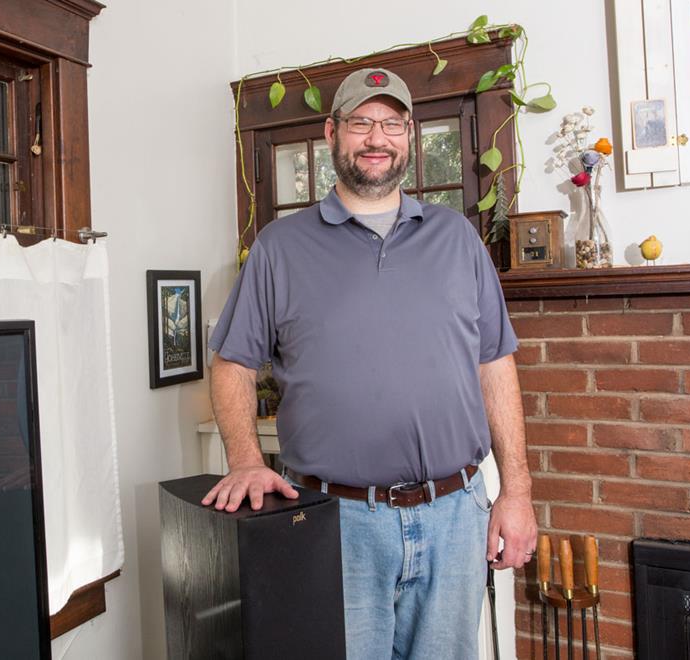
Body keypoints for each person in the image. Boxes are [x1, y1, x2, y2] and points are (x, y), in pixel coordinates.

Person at [203, 67, 536, 659]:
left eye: (391, 124)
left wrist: (517, 493)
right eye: (361, 123)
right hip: (338, 525)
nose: (376, 138)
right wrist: (246, 460)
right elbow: (230, 363)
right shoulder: (281, 247)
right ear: (332, 133)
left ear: (409, 135)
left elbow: (496, 365)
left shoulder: (458, 240)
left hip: (456, 515)